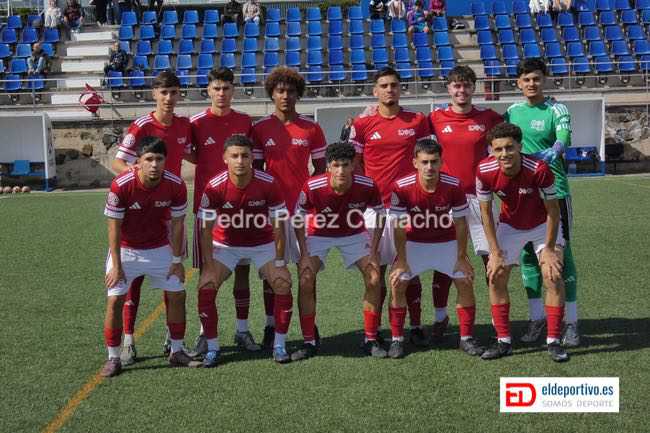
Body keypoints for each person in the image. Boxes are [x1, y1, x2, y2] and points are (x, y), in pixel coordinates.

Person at [111, 71, 194, 366]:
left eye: (173, 92)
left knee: (172, 278)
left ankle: (172, 340)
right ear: (154, 94)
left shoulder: (184, 125)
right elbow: (118, 161)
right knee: (131, 282)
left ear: (179, 94)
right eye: (163, 92)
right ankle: (129, 341)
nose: (169, 98)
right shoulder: (142, 125)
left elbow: (194, 155)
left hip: (170, 214)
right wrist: (139, 179)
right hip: (140, 210)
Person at [101, 136, 200, 377]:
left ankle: (176, 351)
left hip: (159, 248)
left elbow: (178, 224)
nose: (154, 164)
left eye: (159, 159)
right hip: (126, 249)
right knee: (115, 299)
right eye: (149, 159)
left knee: (177, 293)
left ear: (165, 161)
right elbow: (114, 227)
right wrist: (117, 265)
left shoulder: (176, 185)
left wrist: (177, 261)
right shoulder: (121, 185)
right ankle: (113, 357)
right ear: (138, 161)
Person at [348, 67, 431, 347]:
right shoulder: (362, 124)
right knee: (375, 273)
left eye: (394, 85)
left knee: (410, 271)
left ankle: (415, 325)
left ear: (400, 88)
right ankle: (374, 332)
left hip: (408, 208)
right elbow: (355, 163)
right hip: (374, 210)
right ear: (375, 91)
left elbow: (427, 158)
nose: (389, 90)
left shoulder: (417, 121)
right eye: (383, 85)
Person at [197, 134, 293, 366]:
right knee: (206, 285)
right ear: (225, 158)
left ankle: (279, 345)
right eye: (235, 156)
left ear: (252, 158)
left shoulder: (268, 183)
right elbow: (205, 231)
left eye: (245, 156)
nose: (240, 161)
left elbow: (279, 227)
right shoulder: (215, 186)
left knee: (282, 282)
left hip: (262, 244)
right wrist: (208, 266)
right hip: (226, 245)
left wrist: (280, 262)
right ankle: (213, 348)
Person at [476, 122, 569, 363]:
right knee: (495, 275)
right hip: (510, 225)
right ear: (491, 150)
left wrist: (549, 249)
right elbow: (485, 213)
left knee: (552, 275)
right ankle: (503, 341)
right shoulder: (484, 170)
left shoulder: (539, 169)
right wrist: (494, 251)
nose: (504, 154)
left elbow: (553, 211)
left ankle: (553, 341)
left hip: (542, 224)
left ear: (519, 146)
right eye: (498, 149)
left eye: (509, 147)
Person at [504, 58, 579, 347]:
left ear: (544, 79)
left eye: (536, 78)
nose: (531, 83)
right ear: (518, 83)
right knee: (527, 257)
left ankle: (571, 323)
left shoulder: (556, 109)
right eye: (526, 79)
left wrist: (555, 149)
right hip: (522, 194)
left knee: (561, 258)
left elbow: (564, 136)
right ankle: (537, 318)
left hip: (554, 192)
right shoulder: (512, 111)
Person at [250, 67, 327, 348]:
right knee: (272, 273)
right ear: (272, 94)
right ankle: (271, 325)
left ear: (298, 95)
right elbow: (255, 171)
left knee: (307, 272)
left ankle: (309, 325)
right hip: (271, 213)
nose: (285, 96)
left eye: (291, 91)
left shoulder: (311, 128)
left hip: (303, 212)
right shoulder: (260, 128)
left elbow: (320, 171)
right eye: (280, 91)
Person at [426, 65, 502, 342]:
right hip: (446, 201)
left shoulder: (488, 117)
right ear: (449, 88)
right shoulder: (435, 118)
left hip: (481, 198)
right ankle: (440, 317)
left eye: (467, 85)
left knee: (491, 260)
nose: (462, 90)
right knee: (444, 260)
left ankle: (497, 319)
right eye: (457, 85)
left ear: (473, 88)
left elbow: (512, 135)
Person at [291, 142, 387, 361]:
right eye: (336, 165)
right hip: (319, 233)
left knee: (374, 277)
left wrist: (374, 251)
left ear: (353, 165)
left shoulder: (367, 185)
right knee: (305, 278)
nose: (341, 170)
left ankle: (370, 339)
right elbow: (298, 217)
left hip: (353, 233)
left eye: (345, 165)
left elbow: (380, 214)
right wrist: (304, 254)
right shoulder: (313, 186)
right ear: (328, 166)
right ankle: (309, 341)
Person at [389, 138, 483, 359]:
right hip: (415, 242)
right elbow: (399, 227)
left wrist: (462, 257)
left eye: (434, 161)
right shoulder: (401, 186)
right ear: (415, 163)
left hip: (445, 241)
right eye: (424, 162)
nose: (429, 167)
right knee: (398, 282)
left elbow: (461, 224)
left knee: (465, 280)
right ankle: (397, 339)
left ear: (441, 162)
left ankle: (466, 338)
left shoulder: (454, 185)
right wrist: (401, 260)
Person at [189, 67, 259, 355]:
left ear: (233, 90)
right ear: (208, 90)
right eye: (216, 88)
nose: (221, 93)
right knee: (208, 273)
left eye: (226, 88)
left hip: (241, 209)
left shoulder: (244, 121)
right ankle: (205, 333)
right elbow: (190, 154)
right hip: (207, 210)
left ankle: (242, 330)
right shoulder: (196, 123)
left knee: (242, 270)